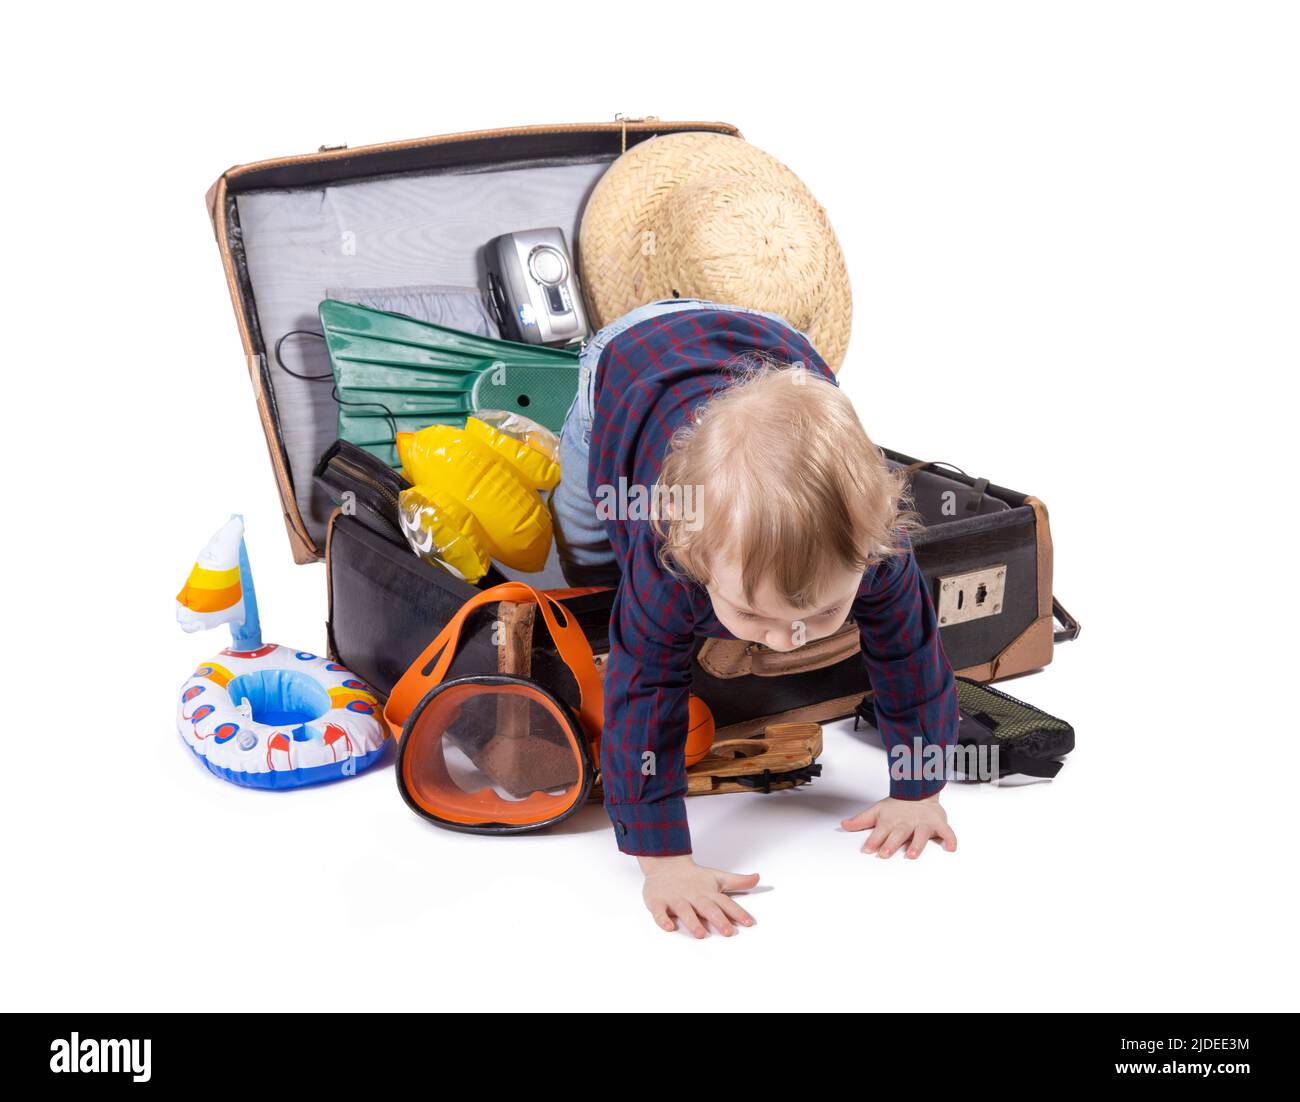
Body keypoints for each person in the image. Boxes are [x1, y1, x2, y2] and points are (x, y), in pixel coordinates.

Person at [548, 298, 959, 938]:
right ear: (694, 558)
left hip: (774, 342)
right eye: (749, 613)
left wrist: (920, 788)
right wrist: (665, 865)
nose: (784, 639)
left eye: (824, 610)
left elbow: (911, 658)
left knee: (800, 462)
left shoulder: (872, 545)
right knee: (579, 538)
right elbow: (643, 695)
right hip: (627, 362)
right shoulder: (667, 557)